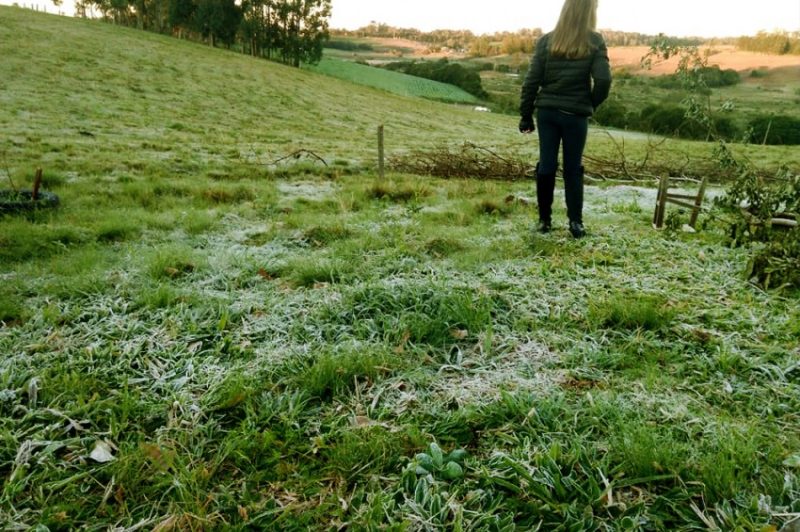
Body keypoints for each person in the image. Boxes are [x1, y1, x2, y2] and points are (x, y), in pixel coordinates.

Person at [519, 0, 612, 238]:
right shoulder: (595, 41)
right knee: (573, 168)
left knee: (546, 165)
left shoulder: (546, 41)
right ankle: (575, 223)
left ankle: (544, 221)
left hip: (547, 113)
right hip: (576, 116)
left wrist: (526, 116)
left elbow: (531, 82)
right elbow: (603, 81)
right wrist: (589, 104)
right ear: (590, 12)